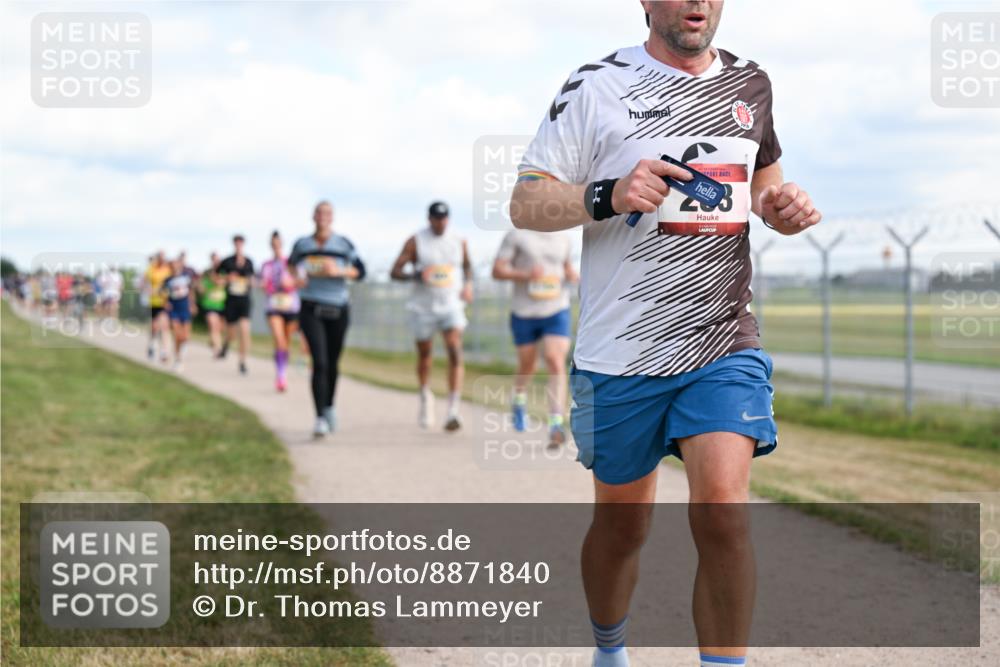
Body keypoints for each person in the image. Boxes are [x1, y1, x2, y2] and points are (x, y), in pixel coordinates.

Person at [510, 2, 823, 666]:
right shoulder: (596, 84)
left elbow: (763, 189)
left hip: (721, 340)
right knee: (624, 528)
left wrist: (781, 208)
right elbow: (526, 199)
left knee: (724, 511)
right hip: (619, 351)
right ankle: (609, 649)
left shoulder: (752, 84)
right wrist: (609, 194)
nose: (697, 3)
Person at [390, 201, 473, 431]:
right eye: (437, 219)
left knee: (455, 349)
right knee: (425, 355)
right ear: (429, 219)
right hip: (423, 307)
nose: (441, 223)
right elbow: (395, 271)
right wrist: (416, 275)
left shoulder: (459, 240)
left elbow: (467, 266)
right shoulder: (415, 241)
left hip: (451, 304)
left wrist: (469, 285)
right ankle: (426, 395)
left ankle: (453, 410)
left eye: (444, 218)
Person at [492, 229, 578, 448]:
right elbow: (497, 270)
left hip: (556, 308)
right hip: (524, 312)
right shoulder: (517, 236)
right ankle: (519, 398)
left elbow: (565, 266)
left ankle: (556, 424)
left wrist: (571, 274)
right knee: (527, 365)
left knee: (554, 360)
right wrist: (525, 275)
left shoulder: (564, 238)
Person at [288, 201, 366, 437]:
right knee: (319, 362)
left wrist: (339, 271)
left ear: (332, 218)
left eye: (327, 213)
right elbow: (291, 266)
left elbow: (360, 271)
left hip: (338, 308)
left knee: (332, 363)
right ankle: (320, 416)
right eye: (319, 212)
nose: (323, 217)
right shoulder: (303, 244)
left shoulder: (343, 244)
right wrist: (298, 278)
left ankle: (330, 404)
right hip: (311, 307)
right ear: (313, 216)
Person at [260, 231, 302, 392]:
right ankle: (281, 375)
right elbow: (261, 283)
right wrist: (263, 285)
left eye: (278, 243)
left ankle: (282, 369)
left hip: (291, 306)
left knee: (286, 342)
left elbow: (302, 281)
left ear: (282, 244)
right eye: (273, 243)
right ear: (270, 245)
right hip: (274, 306)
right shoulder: (266, 265)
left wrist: (291, 283)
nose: (276, 246)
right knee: (279, 340)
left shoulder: (291, 263)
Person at [218, 235, 255, 375]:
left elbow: (253, 280)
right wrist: (227, 278)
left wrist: (250, 282)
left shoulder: (249, 262)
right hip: (231, 301)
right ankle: (226, 345)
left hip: (244, 300)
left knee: (245, 331)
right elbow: (217, 277)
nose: (239, 245)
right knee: (231, 333)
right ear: (234, 244)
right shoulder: (227, 261)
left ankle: (242, 361)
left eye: (241, 243)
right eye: (236, 243)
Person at [163, 256, 197, 371]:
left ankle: (181, 356)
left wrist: (192, 304)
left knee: (185, 336)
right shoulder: (167, 281)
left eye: (176, 266)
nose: (174, 268)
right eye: (172, 267)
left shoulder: (186, 278)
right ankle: (178, 359)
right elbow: (163, 294)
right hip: (174, 309)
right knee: (177, 334)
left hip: (185, 308)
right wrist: (166, 302)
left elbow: (191, 292)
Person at [142, 252, 172, 363]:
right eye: (160, 258)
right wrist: (146, 290)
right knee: (154, 327)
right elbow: (144, 282)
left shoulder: (168, 269)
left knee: (164, 326)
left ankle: (164, 351)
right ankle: (151, 345)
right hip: (154, 302)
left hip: (165, 302)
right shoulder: (151, 269)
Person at [198, 252, 227, 356]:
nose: (216, 262)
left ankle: (212, 341)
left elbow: (221, 283)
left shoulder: (223, 273)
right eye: (214, 260)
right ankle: (218, 349)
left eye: (217, 260)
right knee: (213, 325)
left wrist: (213, 277)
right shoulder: (206, 273)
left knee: (220, 328)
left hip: (221, 305)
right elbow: (201, 288)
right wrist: (200, 286)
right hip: (209, 304)